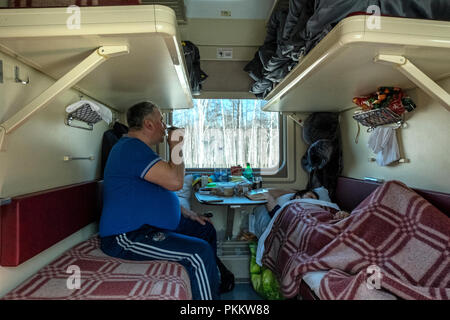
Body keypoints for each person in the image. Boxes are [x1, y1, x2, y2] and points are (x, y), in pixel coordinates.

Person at [99, 101, 233, 300]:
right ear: (149, 124)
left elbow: (154, 190)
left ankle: (209, 285)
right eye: (161, 120)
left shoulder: (140, 150)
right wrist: (176, 146)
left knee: (205, 230)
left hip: (150, 225)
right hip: (127, 235)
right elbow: (175, 181)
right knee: (198, 252)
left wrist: (185, 212)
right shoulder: (131, 149)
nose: (164, 126)